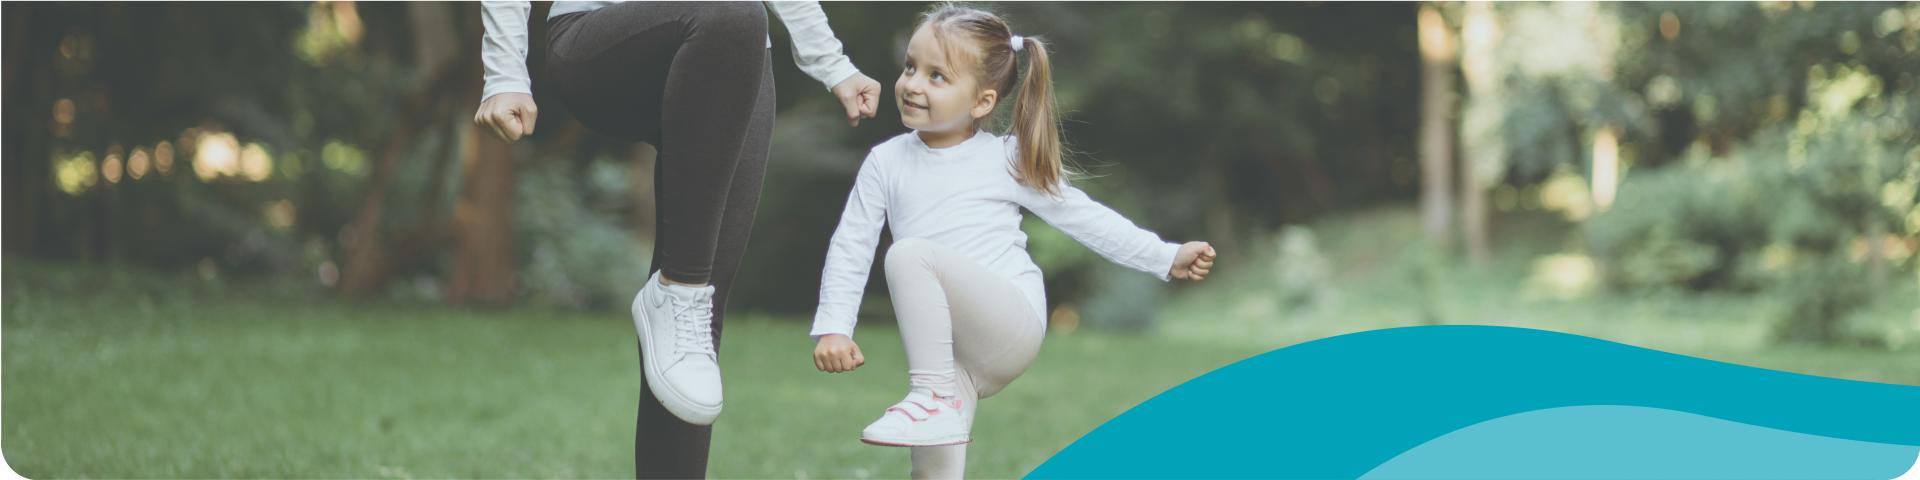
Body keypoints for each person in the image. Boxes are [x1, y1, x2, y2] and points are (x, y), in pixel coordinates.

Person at [807, 4, 1218, 478]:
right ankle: (935, 402)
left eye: (937, 76)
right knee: (931, 470)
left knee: (909, 254)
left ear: (981, 102)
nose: (914, 84)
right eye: (910, 67)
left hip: (1010, 324)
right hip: (951, 353)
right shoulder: (885, 162)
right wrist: (835, 327)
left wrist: (1165, 257)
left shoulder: (1004, 158)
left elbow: (1085, 218)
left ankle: (930, 398)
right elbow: (851, 244)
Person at [474, 1, 882, 477]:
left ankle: (680, 297)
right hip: (603, 41)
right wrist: (504, 74)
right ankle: (680, 288)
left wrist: (832, 63)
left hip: (733, 54)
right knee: (732, 13)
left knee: (692, 332)